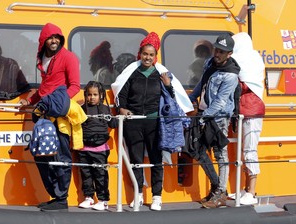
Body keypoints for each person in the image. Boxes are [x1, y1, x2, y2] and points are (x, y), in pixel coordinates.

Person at [112, 32, 193, 211]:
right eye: (145, 54)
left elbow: (173, 99)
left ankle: (157, 196)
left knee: (156, 159)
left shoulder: (161, 74)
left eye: (151, 54)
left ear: (155, 56)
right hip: (133, 122)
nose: (147, 57)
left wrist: (169, 85)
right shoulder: (131, 73)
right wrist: (122, 109)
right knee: (136, 159)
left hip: (155, 123)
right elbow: (121, 95)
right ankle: (138, 194)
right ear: (140, 54)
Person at [19, 22, 82, 212]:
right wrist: (30, 101)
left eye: (57, 37)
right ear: (43, 40)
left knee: (61, 156)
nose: (54, 41)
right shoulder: (43, 58)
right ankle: (55, 194)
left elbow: (75, 86)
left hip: (58, 116)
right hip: (43, 114)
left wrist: (56, 103)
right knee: (40, 153)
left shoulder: (68, 57)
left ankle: (61, 198)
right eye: (50, 37)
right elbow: (45, 88)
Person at [188, 33, 240, 208]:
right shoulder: (210, 63)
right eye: (216, 49)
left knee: (220, 154)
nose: (217, 54)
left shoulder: (231, 76)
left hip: (218, 118)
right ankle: (217, 187)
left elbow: (221, 101)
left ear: (229, 54)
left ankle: (221, 193)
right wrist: (191, 97)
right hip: (205, 114)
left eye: (221, 52)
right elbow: (202, 82)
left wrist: (204, 116)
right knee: (199, 151)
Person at [231, 32, 265, 205]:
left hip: (251, 110)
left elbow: (242, 84)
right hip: (246, 108)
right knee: (243, 150)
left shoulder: (245, 61)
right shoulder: (254, 58)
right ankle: (245, 189)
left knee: (250, 150)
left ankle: (251, 191)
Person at [77, 81, 118, 211]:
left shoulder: (106, 109)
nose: (92, 97)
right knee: (86, 174)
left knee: (100, 175)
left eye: (95, 94)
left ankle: (103, 200)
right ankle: (88, 197)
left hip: (100, 149)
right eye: (89, 94)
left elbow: (113, 124)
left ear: (101, 95)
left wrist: (120, 118)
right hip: (84, 148)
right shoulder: (82, 109)